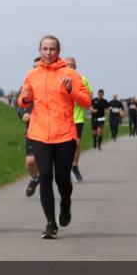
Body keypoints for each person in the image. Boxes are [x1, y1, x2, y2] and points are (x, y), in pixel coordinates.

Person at [18, 36, 91, 239]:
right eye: (45, 49)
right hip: (39, 133)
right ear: (39, 50)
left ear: (58, 51)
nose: (48, 52)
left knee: (62, 180)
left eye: (52, 49)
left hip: (64, 134)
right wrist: (24, 97)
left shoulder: (70, 74)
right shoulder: (32, 74)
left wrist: (70, 89)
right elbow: (23, 101)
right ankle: (50, 224)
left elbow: (86, 101)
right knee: (45, 176)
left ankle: (65, 204)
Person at [64, 57, 91, 182]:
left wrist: (78, 96)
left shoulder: (82, 79)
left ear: (76, 66)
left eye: (72, 64)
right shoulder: (59, 78)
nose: (70, 66)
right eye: (67, 64)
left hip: (77, 117)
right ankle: (64, 168)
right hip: (62, 117)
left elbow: (88, 96)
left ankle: (74, 167)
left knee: (76, 143)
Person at [21, 57, 41, 197]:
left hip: (49, 129)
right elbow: (19, 103)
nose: (35, 69)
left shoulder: (52, 83)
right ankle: (35, 179)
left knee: (45, 161)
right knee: (30, 161)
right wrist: (23, 113)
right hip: (31, 129)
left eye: (38, 66)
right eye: (34, 66)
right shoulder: (26, 84)